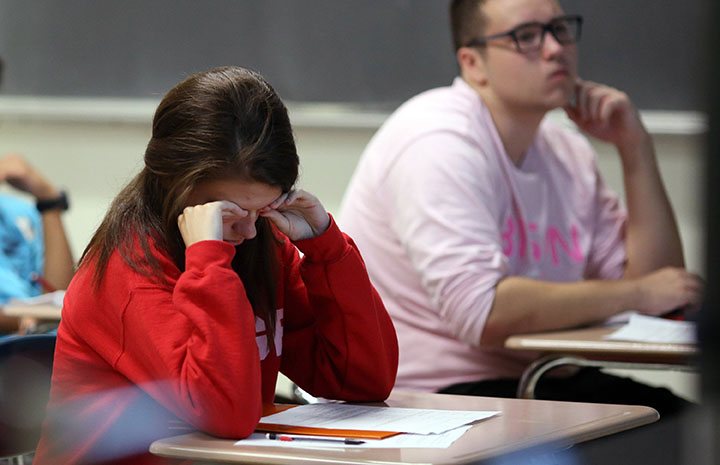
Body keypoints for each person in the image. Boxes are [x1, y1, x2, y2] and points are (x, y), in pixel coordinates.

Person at [339, 0, 702, 414]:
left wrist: (634, 149)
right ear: (473, 63)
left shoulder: (566, 151)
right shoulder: (437, 139)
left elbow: (663, 292)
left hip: (541, 378)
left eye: (560, 29)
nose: (554, 49)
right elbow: (481, 311)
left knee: (690, 428)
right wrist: (637, 293)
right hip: (431, 396)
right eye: (526, 37)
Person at [33, 66, 398, 465]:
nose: (249, 231)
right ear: (174, 186)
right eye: (227, 213)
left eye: (261, 210)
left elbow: (362, 381)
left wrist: (325, 248)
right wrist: (208, 263)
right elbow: (227, 416)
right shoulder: (129, 272)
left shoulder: (260, 245)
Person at [0, 153, 74, 334]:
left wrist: (48, 200)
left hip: (38, 344)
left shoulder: (19, 213)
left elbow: (59, 294)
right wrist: (21, 322)